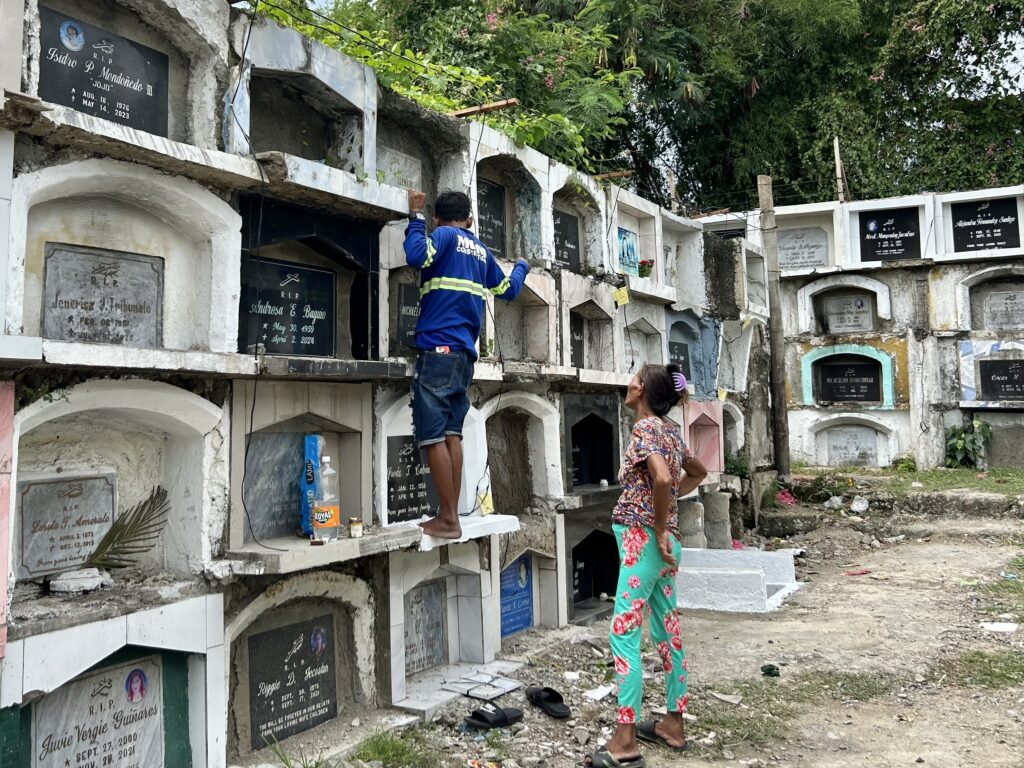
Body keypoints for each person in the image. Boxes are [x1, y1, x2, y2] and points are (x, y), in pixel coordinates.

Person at [585, 363, 708, 768]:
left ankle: (624, 740)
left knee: (623, 632)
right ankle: (673, 724)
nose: (629, 383)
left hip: (645, 540)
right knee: (666, 628)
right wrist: (669, 510)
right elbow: (698, 471)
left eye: (634, 379)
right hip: (667, 543)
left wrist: (656, 524)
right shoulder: (671, 431)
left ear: (642, 392)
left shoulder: (644, 429)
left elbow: (658, 477)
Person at [404, 189, 530, 539]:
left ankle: (448, 519)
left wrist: (414, 217)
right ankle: (451, 514)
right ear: (471, 220)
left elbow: (416, 254)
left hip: (438, 352)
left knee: (431, 436)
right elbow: (507, 289)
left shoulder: (442, 236)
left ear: (437, 219)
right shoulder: (480, 251)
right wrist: (521, 266)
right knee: (451, 433)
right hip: (463, 356)